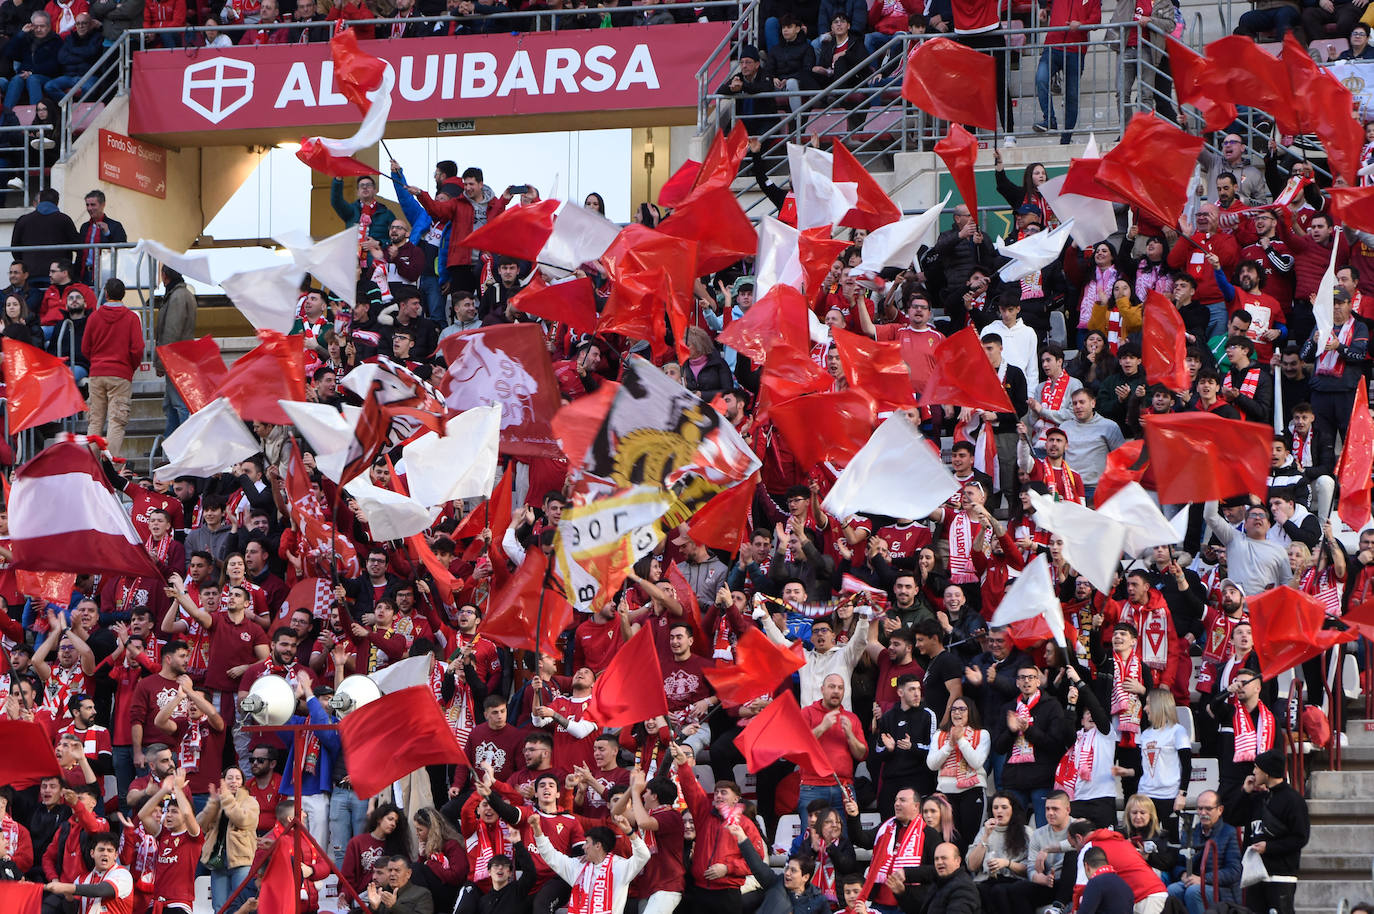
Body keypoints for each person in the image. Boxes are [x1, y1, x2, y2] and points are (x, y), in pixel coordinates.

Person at [1228, 749, 1309, 914]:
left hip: (1280, 875)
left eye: (1257, 767)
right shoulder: (1259, 798)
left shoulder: (1293, 800)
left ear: (1267, 771)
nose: (1253, 772)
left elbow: (1300, 837)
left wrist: (1269, 847)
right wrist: (1244, 793)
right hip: (1255, 874)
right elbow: (1232, 818)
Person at [81, 278, 144, 458]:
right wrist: (129, 367)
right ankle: (111, 468)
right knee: (116, 422)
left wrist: (96, 362)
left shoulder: (94, 317)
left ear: (106, 294)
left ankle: (91, 465)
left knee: (95, 421)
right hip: (121, 374)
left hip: (97, 373)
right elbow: (138, 349)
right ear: (123, 295)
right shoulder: (132, 318)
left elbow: (85, 347)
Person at [197, 767, 260, 913]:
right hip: (217, 860)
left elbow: (243, 821)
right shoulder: (218, 802)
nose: (234, 782)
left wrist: (226, 798)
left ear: (243, 782)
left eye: (238, 778)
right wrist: (212, 803)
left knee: (240, 904)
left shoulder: (250, 801)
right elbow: (201, 825)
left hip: (242, 860)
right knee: (219, 906)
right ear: (223, 781)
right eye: (229, 778)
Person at [1169, 790, 1242, 914]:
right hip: (1194, 882)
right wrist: (1183, 874)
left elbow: (1234, 871)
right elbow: (1178, 862)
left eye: (1208, 809)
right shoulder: (1191, 831)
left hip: (1221, 888)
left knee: (1194, 891)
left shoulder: (1229, 832)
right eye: (1200, 808)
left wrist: (1203, 879)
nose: (1203, 813)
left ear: (1220, 810)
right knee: (1172, 890)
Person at [924, 842, 981, 914]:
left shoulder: (963, 887)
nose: (939, 862)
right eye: (936, 859)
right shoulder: (938, 883)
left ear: (957, 861)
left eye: (944, 858)